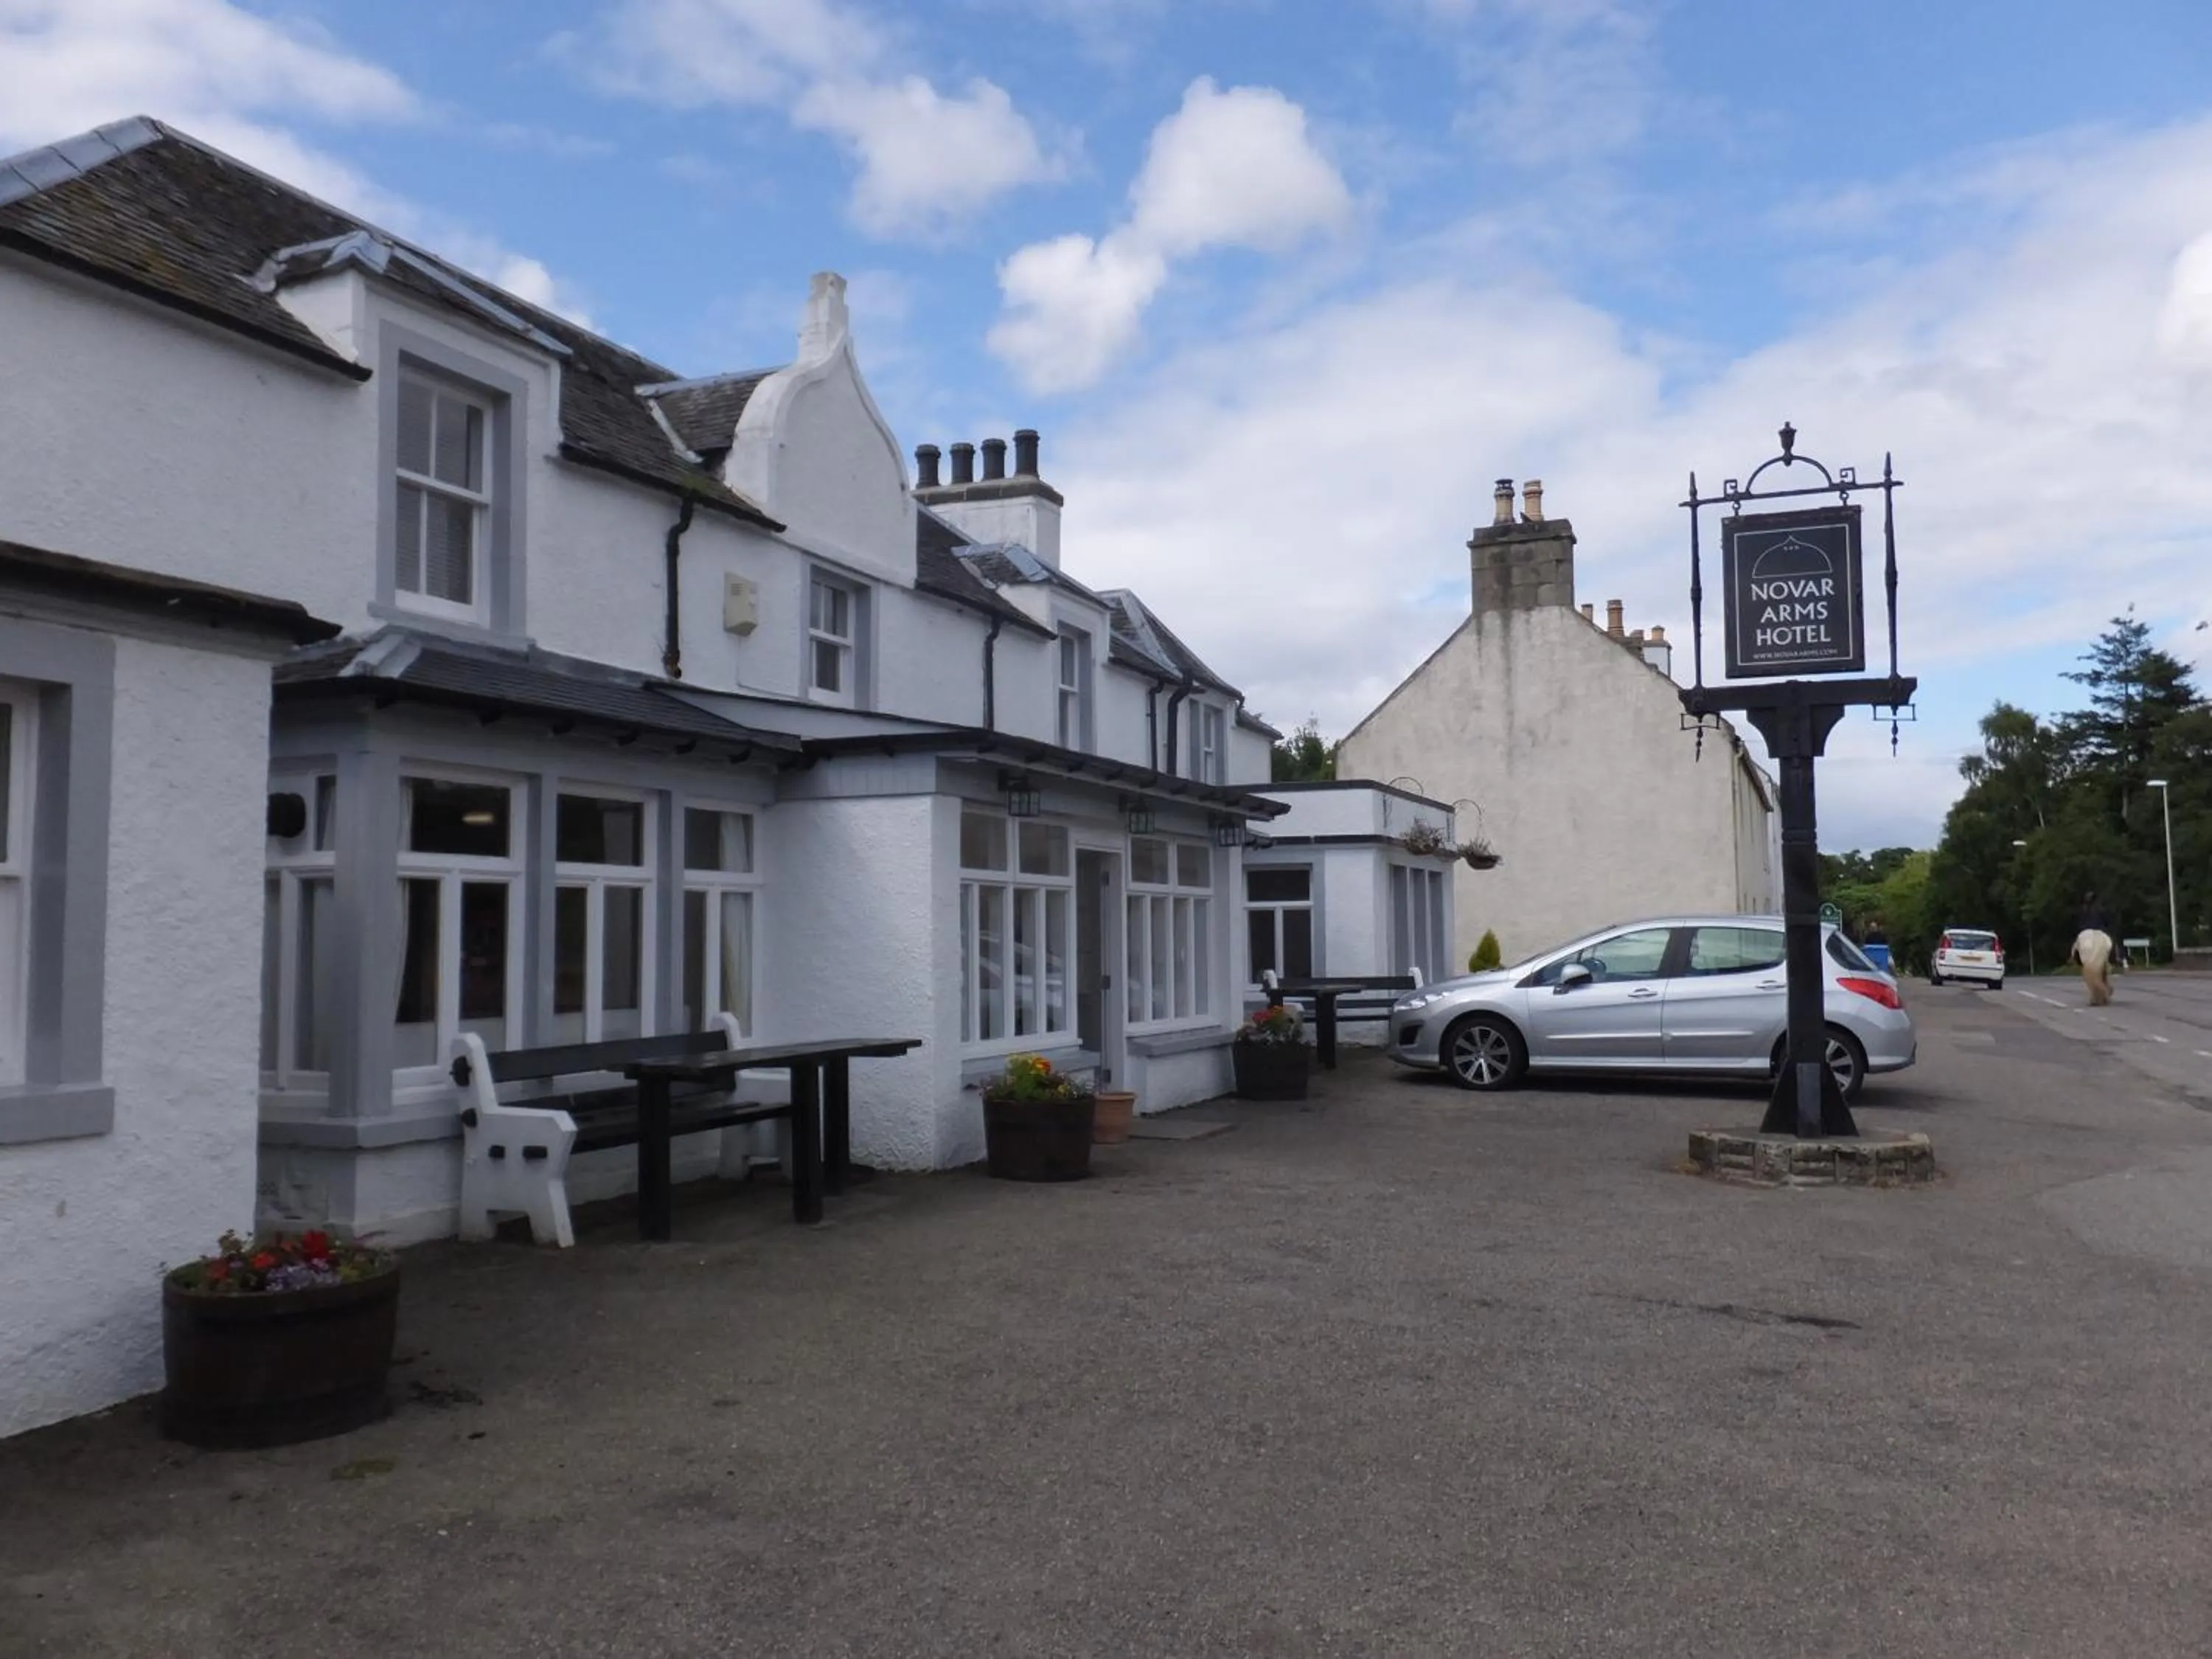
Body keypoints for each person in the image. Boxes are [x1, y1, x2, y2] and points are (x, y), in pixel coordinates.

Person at [2070, 891, 2115, 1007]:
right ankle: (2118, 958)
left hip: (2085, 935)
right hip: (2102, 934)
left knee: (2079, 956)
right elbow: (2108, 925)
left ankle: (2076, 960)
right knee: (2111, 947)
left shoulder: (2081, 912)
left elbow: (2077, 927)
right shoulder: (2102, 910)